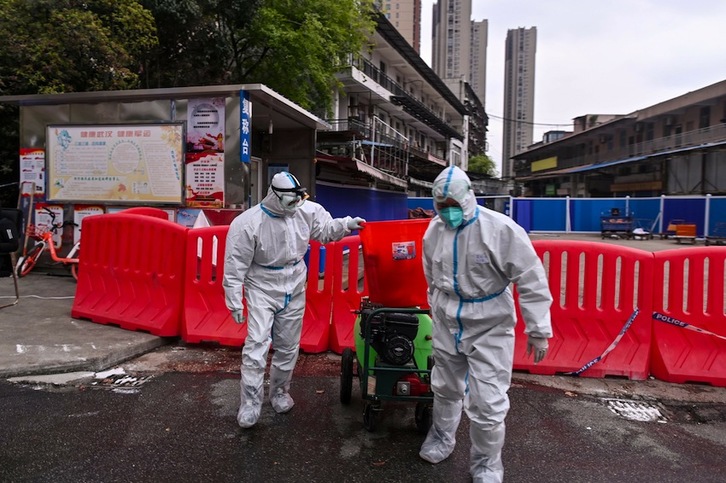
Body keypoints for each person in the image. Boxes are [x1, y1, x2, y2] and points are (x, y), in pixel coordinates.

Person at [419, 165, 552, 482]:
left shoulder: (500, 230)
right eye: (442, 207)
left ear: (468, 199)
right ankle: (441, 439)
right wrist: (436, 310)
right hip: (447, 318)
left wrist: (538, 330)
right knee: (445, 387)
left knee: (488, 402)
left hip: (490, 321)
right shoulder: (433, 231)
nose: (448, 213)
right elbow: (431, 277)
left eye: (453, 206)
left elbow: (531, 280)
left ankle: (487, 465)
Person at [223, 171, 365, 429]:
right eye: (289, 202)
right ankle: (251, 402)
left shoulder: (305, 210)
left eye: (297, 201)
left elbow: (324, 231)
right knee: (257, 345)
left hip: (294, 283)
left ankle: (279, 392)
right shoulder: (248, 224)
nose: (294, 207)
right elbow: (235, 265)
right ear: (275, 196)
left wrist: (346, 224)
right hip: (261, 286)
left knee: (288, 345)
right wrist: (234, 298)